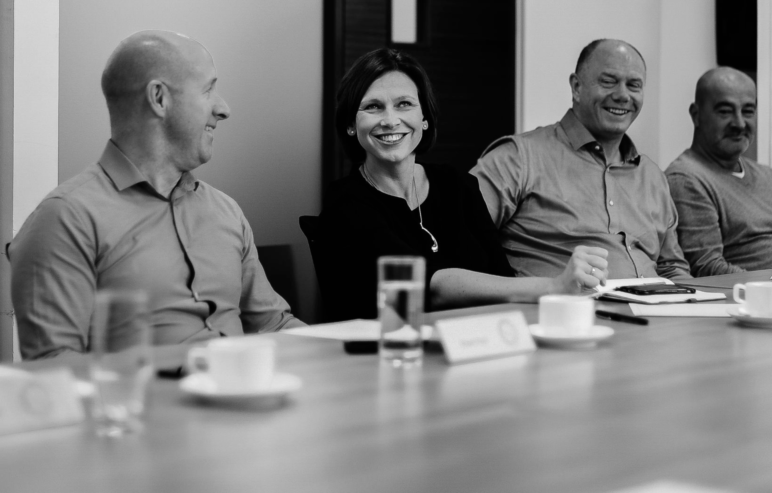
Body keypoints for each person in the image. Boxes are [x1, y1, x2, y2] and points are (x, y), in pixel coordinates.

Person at [10, 30, 304, 359]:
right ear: (159, 99)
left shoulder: (226, 211)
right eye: (209, 89)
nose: (224, 109)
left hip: (248, 400)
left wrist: (351, 352)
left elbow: (272, 324)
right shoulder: (64, 218)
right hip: (141, 407)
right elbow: (55, 372)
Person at [319, 48, 608, 322]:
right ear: (350, 124)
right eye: (373, 107)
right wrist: (554, 286)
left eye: (404, 104)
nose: (390, 120)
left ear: (424, 119)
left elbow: (501, 277)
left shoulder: (457, 184)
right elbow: (429, 284)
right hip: (393, 354)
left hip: (479, 345)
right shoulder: (344, 202)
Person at [471, 39, 691, 283]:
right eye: (608, 82)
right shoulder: (518, 157)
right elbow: (458, 242)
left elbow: (672, 268)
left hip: (655, 315)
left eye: (634, 85)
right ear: (576, 87)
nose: (622, 95)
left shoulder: (652, 175)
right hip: (562, 314)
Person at [664, 67, 772, 277]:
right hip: (764, 302)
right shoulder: (687, 179)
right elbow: (708, 268)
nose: (740, 123)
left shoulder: (771, 177)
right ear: (696, 115)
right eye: (725, 111)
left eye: (748, 111)